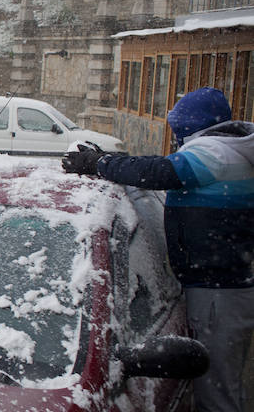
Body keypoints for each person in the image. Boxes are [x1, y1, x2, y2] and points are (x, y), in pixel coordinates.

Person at [62, 87, 253, 412]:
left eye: (178, 126)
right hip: (216, 283)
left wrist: (101, 163)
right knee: (215, 381)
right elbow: (159, 166)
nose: (176, 134)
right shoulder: (224, 148)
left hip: (218, 290)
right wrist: (109, 160)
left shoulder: (217, 153)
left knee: (216, 390)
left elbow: (158, 172)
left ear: (191, 125)